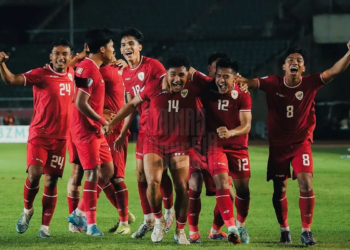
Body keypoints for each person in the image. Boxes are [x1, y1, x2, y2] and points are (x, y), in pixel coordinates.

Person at [235, 41, 350, 245]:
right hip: (278, 146)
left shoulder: (310, 82)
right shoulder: (273, 82)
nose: (294, 62)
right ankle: (284, 230)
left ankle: (306, 231)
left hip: (300, 143)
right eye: (290, 60)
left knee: (305, 183)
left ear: (303, 67)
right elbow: (252, 82)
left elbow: (333, 71)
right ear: (284, 66)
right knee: (279, 189)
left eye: (299, 60)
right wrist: (241, 81)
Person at [109, 54, 206, 244]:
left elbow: (216, 84)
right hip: (154, 143)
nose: (177, 79)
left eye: (181, 75)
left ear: (188, 75)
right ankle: (159, 221)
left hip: (180, 144)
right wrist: (113, 123)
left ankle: (179, 230)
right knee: (152, 182)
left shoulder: (194, 87)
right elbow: (131, 104)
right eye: (173, 74)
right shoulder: (153, 86)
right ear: (166, 74)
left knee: (182, 187)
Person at [0, 38, 74, 238]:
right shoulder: (41, 74)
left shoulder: (72, 73)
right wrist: (1, 64)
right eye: (56, 53)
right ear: (50, 56)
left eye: (64, 54)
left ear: (69, 57)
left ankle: (45, 227)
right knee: (34, 175)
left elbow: (81, 61)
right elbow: (11, 80)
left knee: (51, 182)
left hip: (60, 139)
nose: (60, 57)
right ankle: (27, 211)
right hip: (39, 135)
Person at [114, 27, 174, 238]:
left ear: (140, 46)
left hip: (161, 129)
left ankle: (167, 211)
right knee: (140, 175)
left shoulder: (153, 66)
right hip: (144, 129)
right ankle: (149, 219)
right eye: (123, 45)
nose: (126, 47)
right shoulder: (125, 73)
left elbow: (168, 89)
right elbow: (132, 104)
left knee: (156, 176)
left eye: (131, 43)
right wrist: (123, 132)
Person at [67, 28, 115, 236]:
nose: (114, 51)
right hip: (86, 130)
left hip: (94, 129)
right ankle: (91, 225)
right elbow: (80, 102)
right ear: (103, 49)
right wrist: (100, 119)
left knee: (108, 171)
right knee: (93, 173)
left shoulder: (85, 66)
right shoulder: (89, 69)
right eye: (112, 47)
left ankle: (78, 212)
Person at [202, 58, 252, 245]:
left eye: (226, 76)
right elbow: (188, 71)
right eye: (218, 75)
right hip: (215, 145)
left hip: (238, 146)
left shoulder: (242, 94)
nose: (221, 80)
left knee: (243, 191)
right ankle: (231, 228)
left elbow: (246, 125)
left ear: (235, 77)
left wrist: (230, 132)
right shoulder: (207, 89)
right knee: (222, 183)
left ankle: (239, 225)